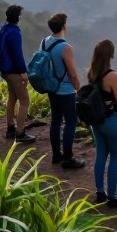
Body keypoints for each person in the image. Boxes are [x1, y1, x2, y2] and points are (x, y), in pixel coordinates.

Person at [87, 39, 117, 207]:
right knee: (115, 158)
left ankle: (100, 192)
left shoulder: (91, 72)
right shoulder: (113, 76)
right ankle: (113, 196)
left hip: (97, 121)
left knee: (100, 155)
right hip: (112, 121)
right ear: (111, 54)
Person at [42, 13, 84, 169]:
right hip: (65, 90)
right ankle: (68, 158)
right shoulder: (65, 47)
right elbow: (72, 73)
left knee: (56, 120)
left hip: (52, 88)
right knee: (70, 122)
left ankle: (56, 155)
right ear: (64, 26)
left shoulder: (45, 42)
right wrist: (78, 89)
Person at [0, 5, 36, 144]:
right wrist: (23, 72)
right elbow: (17, 55)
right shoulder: (14, 33)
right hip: (14, 71)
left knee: (12, 97)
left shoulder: (3, 29)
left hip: (4, 70)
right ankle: (20, 132)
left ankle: (10, 128)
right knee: (25, 100)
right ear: (18, 18)